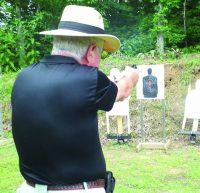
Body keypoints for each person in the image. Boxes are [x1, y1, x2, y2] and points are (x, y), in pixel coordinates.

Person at [11, 5, 139, 193]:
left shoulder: (24, 77)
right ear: (91, 51)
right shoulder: (89, 79)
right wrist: (131, 74)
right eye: (100, 54)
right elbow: (123, 91)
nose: (99, 61)